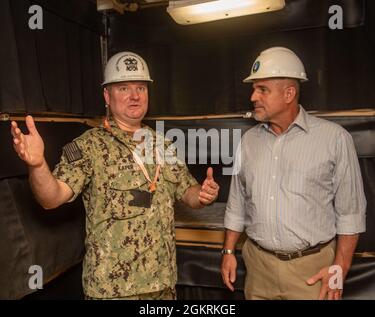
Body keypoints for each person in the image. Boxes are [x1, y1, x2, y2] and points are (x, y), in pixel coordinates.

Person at [11, 51, 220, 300]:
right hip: (112, 291)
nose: (134, 96)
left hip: (161, 287)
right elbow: (51, 198)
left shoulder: (163, 145)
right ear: (107, 96)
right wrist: (37, 165)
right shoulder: (87, 147)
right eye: (123, 88)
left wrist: (203, 194)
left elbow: (187, 193)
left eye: (141, 88)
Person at [221, 47, 366, 300]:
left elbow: (350, 214)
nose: (253, 96)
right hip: (258, 269)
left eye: (262, 89)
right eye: (253, 89)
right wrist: (229, 252)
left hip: (312, 272)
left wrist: (339, 270)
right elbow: (237, 204)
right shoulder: (248, 141)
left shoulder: (334, 139)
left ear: (289, 93)